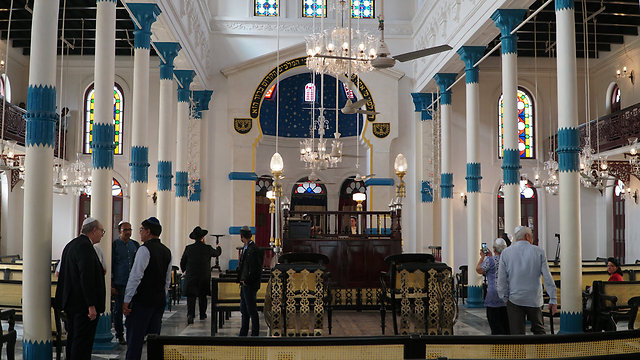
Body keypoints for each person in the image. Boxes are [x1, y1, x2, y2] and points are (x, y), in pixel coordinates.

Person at [54, 217, 106, 360]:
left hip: (72, 303)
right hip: (83, 306)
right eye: (102, 231)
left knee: (74, 339)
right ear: (94, 230)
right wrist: (91, 305)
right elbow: (86, 277)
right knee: (82, 343)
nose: (102, 234)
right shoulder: (85, 247)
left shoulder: (71, 245)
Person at [123, 217, 172, 360]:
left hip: (142, 302)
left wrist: (127, 299)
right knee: (154, 339)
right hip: (158, 301)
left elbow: (135, 276)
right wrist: (162, 297)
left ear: (148, 231)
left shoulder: (144, 249)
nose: (139, 233)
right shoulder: (166, 251)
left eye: (141, 230)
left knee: (135, 340)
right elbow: (167, 280)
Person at [497, 226, 557, 335]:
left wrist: (504, 297)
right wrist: (553, 298)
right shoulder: (539, 251)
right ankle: (541, 351)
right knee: (539, 330)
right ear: (527, 236)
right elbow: (547, 277)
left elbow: (501, 279)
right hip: (534, 299)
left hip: (515, 299)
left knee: (517, 334)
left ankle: (520, 352)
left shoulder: (506, 253)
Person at [181, 226, 222, 324]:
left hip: (191, 275)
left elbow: (183, 261)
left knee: (191, 297)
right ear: (203, 237)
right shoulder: (207, 248)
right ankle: (202, 314)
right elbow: (217, 253)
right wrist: (219, 247)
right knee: (202, 295)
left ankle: (190, 314)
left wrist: (184, 271)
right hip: (203, 276)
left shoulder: (189, 248)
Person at [111, 221, 139, 344]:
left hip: (133, 284)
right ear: (119, 231)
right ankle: (119, 334)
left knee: (133, 310)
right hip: (120, 283)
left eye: (129, 230)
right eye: (125, 230)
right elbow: (111, 264)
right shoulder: (115, 245)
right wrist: (111, 284)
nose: (128, 232)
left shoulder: (135, 245)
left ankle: (132, 333)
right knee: (118, 310)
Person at [476, 238, 509, 335]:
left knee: (495, 326)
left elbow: (479, 269)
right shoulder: (508, 260)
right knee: (506, 325)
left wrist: (482, 257)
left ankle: (498, 348)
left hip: (493, 295)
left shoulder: (490, 260)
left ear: (494, 249)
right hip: (507, 296)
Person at [237, 225, 263, 336]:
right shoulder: (246, 247)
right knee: (244, 309)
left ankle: (255, 333)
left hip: (249, 284)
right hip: (244, 283)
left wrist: (247, 280)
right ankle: (243, 331)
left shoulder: (254, 249)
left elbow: (254, 269)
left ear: (241, 236)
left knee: (251, 309)